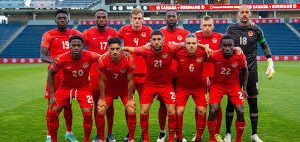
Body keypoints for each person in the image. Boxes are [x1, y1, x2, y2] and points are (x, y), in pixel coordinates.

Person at [224, 5, 275, 142]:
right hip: (234, 71)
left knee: (253, 101)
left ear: (250, 14)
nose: (244, 14)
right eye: (242, 12)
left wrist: (270, 61)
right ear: (238, 14)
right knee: (231, 102)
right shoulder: (231, 28)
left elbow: (264, 45)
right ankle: (228, 133)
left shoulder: (257, 30)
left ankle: (254, 134)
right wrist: (234, 48)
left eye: (247, 12)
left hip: (251, 72)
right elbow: (224, 45)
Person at [123, 30, 181, 142]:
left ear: (163, 41)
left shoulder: (170, 48)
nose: (156, 42)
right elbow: (130, 48)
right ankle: (146, 139)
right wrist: (119, 51)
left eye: (159, 39)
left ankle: (170, 139)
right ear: (150, 41)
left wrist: (204, 47)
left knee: (172, 111)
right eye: (154, 40)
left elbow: (186, 43)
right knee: (143, 111)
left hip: (166, 85)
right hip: (150, 85)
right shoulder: (145, 50)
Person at [47, 35, 100, 142]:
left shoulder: (90, 55)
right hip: (65, 88)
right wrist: (52, 95)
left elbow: (104, 58)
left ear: (82, 46)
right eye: (73, 45)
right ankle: (53, 140)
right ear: (69, 46)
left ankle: (86, 140)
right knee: (52, 113)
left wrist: (120, 54)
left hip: (83, 88)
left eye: (78, 45)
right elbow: (50, 73)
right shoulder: (61, 59)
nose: (76, 47)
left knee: (88, 114)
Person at [40, 9, 81, 142]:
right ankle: (49, 135)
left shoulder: (75, 33)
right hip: (54, 75)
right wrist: (55, 62)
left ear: (68, 20)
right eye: (59, 18)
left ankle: (69, 132)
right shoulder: (49, 35)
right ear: (56, 20)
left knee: (68, 105)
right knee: (51, 104)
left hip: (69, 76)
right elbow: (42, 55)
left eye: (64, 18)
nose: (62, 20)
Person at [82, 8, 118, 142]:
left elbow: (119, 51)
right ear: (95, 18)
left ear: (107, 19)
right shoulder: (87, 33)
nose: (101, 19)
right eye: (99, 17)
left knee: (110, 106)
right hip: (94, 75)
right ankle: (99, 134)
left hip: (110, 76)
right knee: (97, 105)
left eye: (104, 17)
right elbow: (79, 48)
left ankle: (110, 133)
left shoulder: (113, 32)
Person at [117, 8, 153, 141]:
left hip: (145, 74)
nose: (137, 21)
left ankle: (144, 134)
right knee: (129, 106)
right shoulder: (123, 30)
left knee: (144, 108)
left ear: (143, 19)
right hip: (128, 75)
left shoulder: (148, 31)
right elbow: (116, 46)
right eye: (135, 18)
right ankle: (130, 132)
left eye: (139, 18)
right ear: (130, 19)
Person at [207, 35, 248, 142]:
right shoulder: (215, 55)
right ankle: (212, 139)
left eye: (230, 45)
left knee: (240, 111)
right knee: (212, 110)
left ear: (234, 46)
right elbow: (203, 59)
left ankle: (238, 139)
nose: (227, 48)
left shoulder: (240, 56)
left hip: (233, 85)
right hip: (217, 85)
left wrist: (244, 89)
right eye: (224, 45)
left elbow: (245, 71)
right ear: (220, 46)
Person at [157, 10, 190, 142]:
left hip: (181, 75)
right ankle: (162, 132)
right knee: (163, 105)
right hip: (164, 76)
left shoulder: (185, 34)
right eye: (169, 16)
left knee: (178, 106)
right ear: (165, 18)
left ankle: (177, 133)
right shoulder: (160, 33)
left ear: (178, 18)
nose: (171, 18)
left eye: (173, 16)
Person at [97, 37, 136, 142]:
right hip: (109, 90)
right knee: (100, 111)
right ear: (108, 49)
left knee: (131, 110)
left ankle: (131, 139)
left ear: (121, 48)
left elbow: (130, 80)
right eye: (112, 49)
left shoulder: (129, 59)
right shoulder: (102, 60)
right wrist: (101, 98)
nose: (115, 51)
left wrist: (130, 98)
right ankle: (101, 139)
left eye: (117, 49)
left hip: (123, 90)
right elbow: (101, 80)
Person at [174, 34, 207, 142]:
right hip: (182, 87)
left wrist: (236, 48)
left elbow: (218, 53)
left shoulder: (203, 53)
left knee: (202, 110)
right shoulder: (178, 53)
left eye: (194, 43)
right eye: (188, 43)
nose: (191, 46)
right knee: (179, 111)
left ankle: (198, 137)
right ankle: (179, 137)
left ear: (198, 44)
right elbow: (167, 49)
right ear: (184, 45)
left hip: (198, 87)